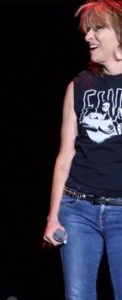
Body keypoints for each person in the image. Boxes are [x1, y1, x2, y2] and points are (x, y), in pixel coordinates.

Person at [43, 0, 122, 299]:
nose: (88, 36)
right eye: (86, 30)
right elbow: (65, 155)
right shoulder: (79, 86)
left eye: (97, 28)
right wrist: (53, 216)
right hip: (78, 210)